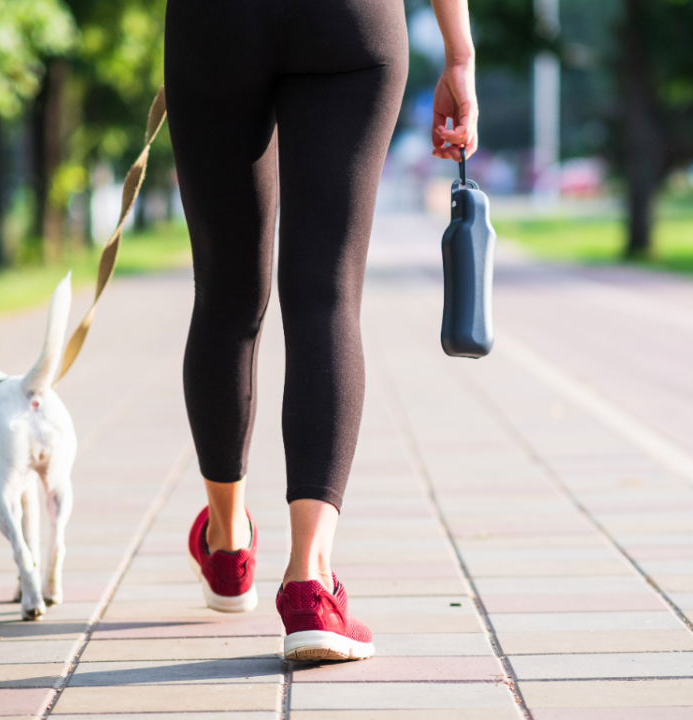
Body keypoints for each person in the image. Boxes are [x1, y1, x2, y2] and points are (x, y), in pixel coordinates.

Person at [164, 0, 478, 661]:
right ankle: (310, 582)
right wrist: (459, 55)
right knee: (325, 295)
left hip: (218, 23)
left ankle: (226, 547)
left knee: (224, 295)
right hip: (350, 22)